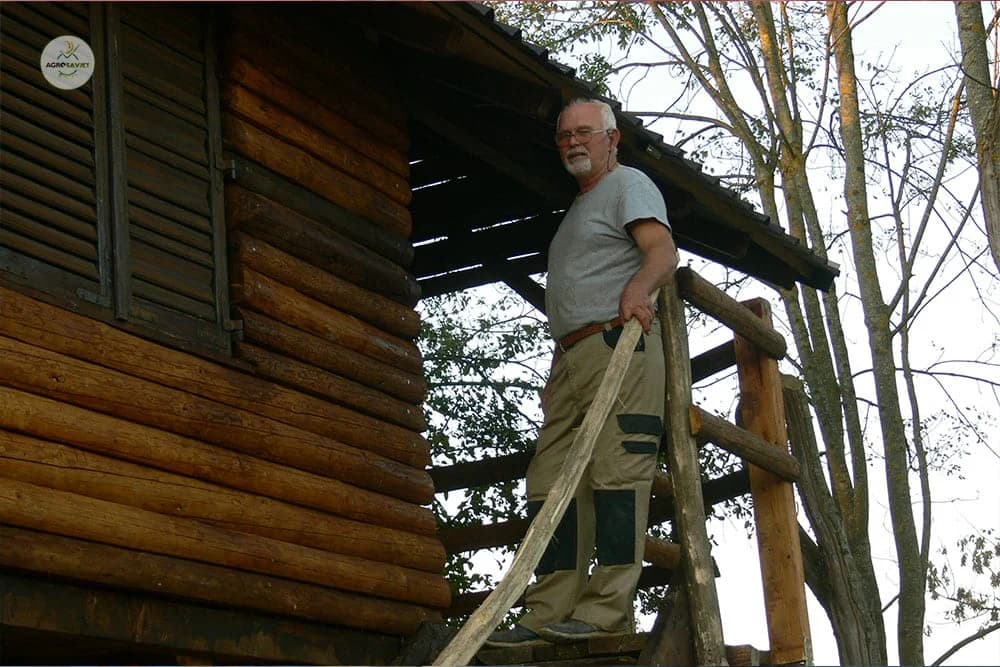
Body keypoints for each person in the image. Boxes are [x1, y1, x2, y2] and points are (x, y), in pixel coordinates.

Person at [486, 98, 679, 648]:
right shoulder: (579, 209)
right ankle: (549, 610)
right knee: (550, 482)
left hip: (619, 345)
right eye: (564, 134)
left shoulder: (629, 185)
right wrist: (561, 352)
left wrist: (638, 289)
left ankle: (605, 612)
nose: (573, 141)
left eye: (585, 132)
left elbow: (663, 251)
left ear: (612, 140)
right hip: (573, 358)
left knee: (619, 474)